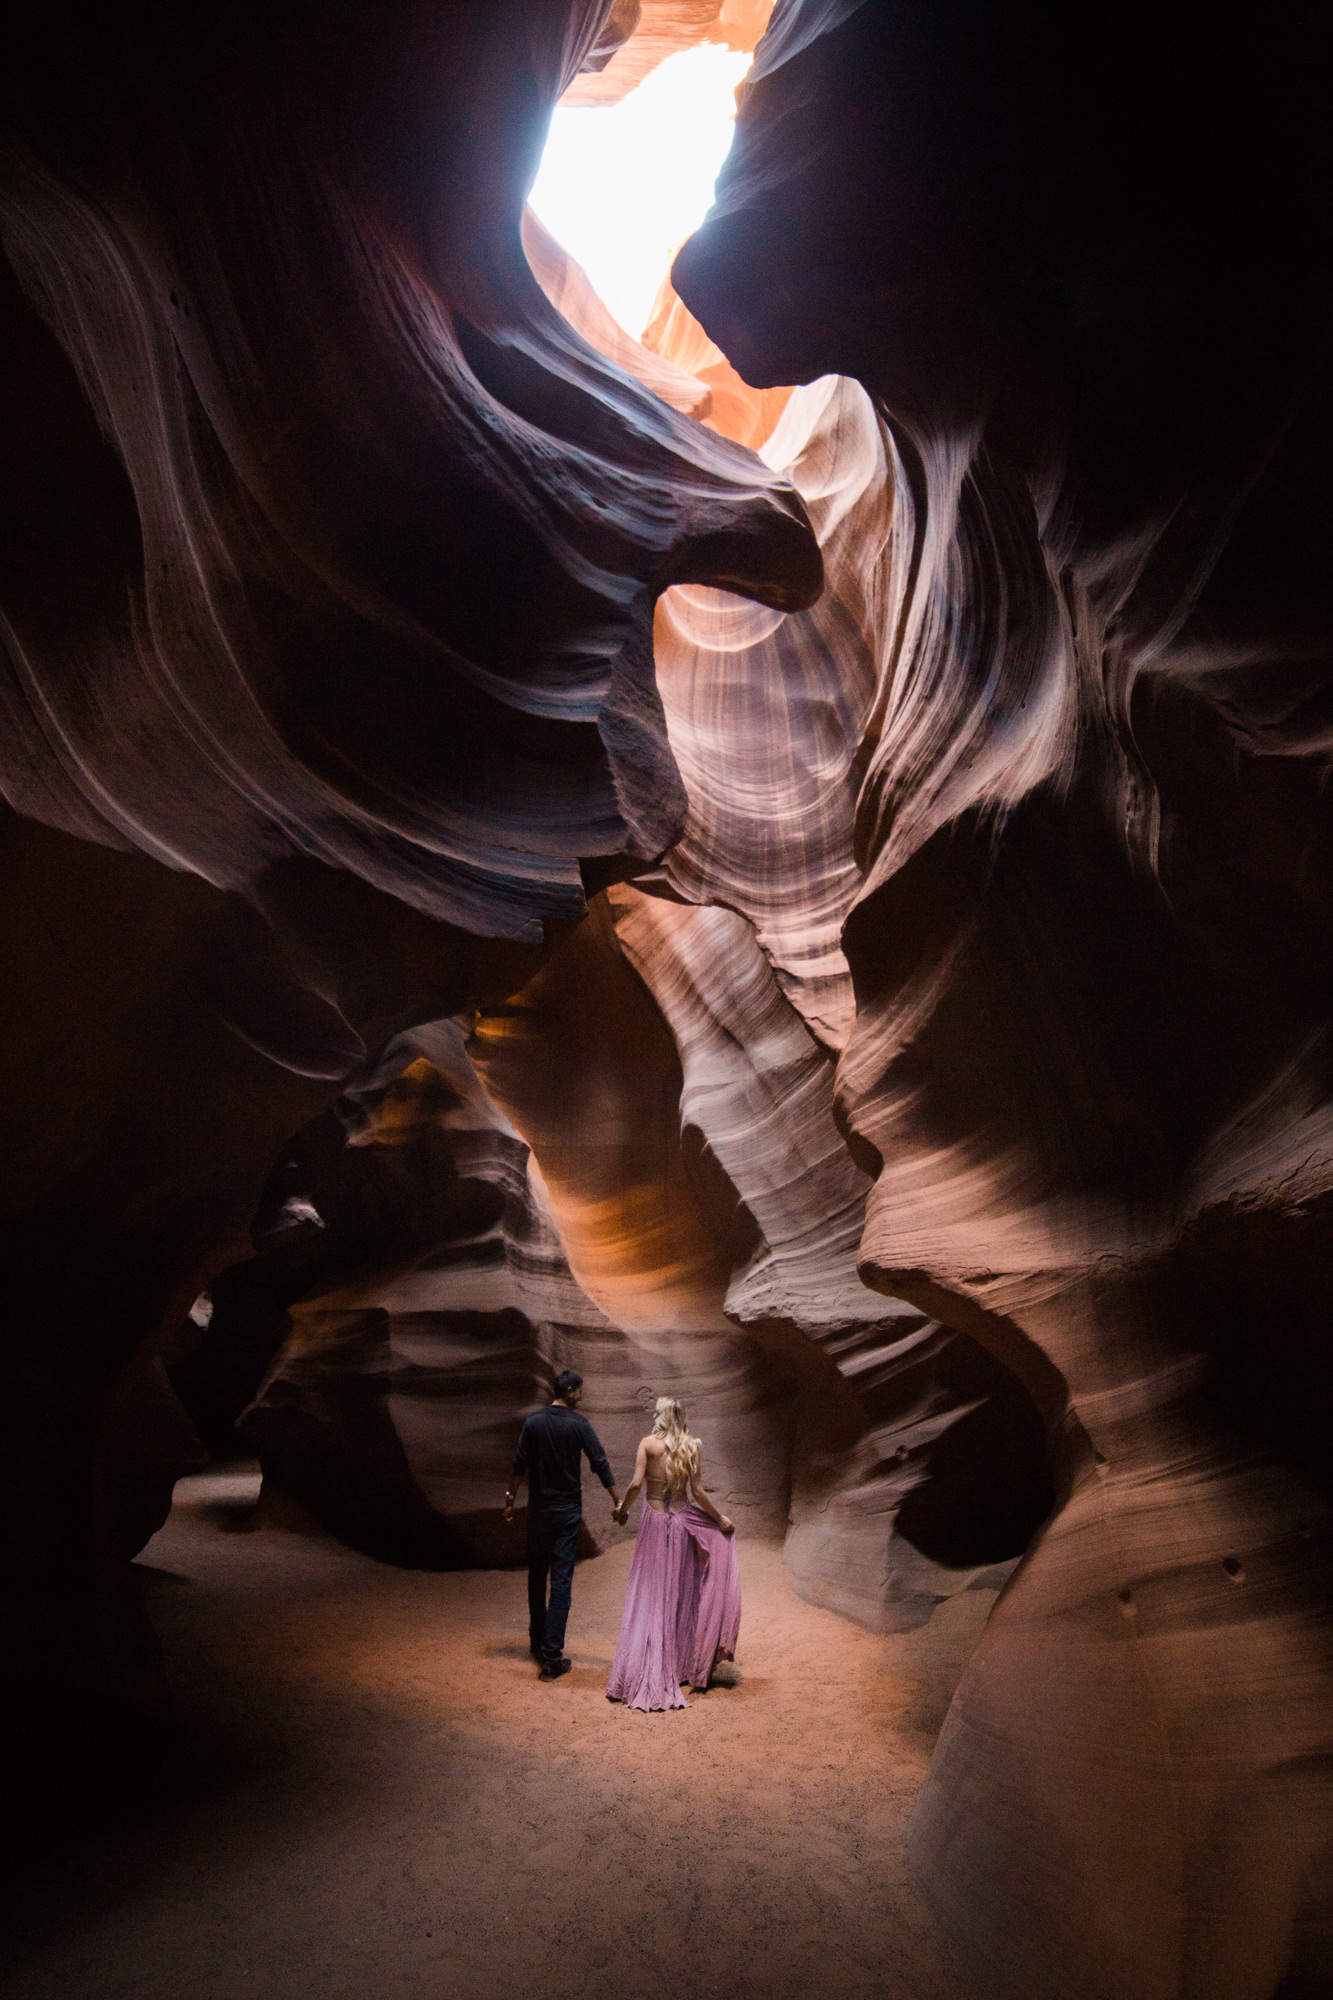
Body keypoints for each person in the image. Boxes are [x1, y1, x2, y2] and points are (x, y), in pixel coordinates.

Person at [606, 1396, 740, 1712]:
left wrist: (622, 1510)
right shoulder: (690, 1447)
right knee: (677, 1594)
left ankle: (646, 1667)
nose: (653, 1414)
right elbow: (698, 1492)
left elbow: (636, 1484)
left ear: (663, 1416)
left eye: (657, 1411)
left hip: (653, 1522)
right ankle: (678, 1666)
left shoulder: (649, 1445)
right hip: (680, 1523)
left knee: (650, 1593)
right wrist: (719, 1518)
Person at [506, 1369, 620, 1681]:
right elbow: (600, 1463)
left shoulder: (534, 1422)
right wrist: (617, 1499)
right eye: (580, 1391)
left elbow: (519, 1464)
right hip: (567, 1512)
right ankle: (552, 1658)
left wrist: (509, 1500)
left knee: (536, 1575)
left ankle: (536, 1642)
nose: (582, 1396)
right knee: (561, 1582)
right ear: (569, 1390)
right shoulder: (579, 1425)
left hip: (539, 1511)